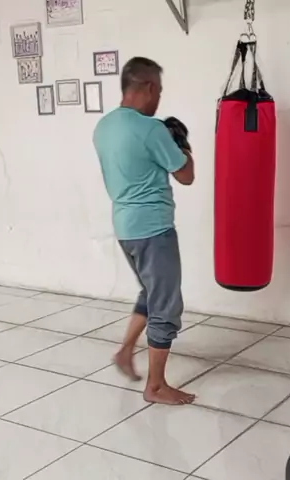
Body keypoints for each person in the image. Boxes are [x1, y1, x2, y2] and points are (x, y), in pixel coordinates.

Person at [93, 57, 195, 405]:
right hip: (154, 229)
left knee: (151, 291)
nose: (159, 99)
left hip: (125, 228)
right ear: (149, 87)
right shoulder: (150, 130)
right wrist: (182, 143)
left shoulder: (104, 127)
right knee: (166, 304)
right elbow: (186, 175)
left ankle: (125, 351)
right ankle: (156, 386)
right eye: (159, 91)